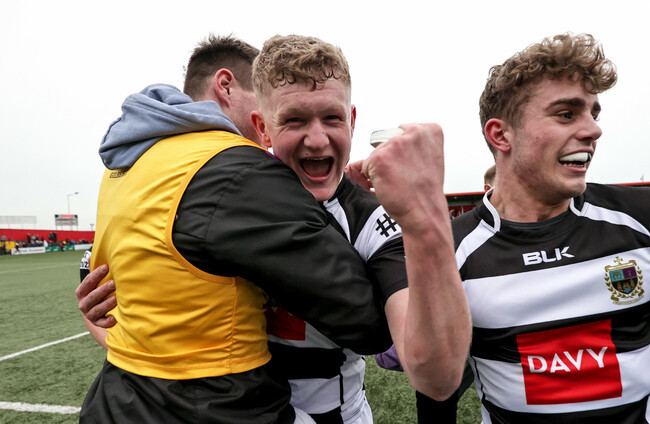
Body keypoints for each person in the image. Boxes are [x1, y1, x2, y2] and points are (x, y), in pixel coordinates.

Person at [77, 34, 470, 424]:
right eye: (294, 120)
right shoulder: (227, 192)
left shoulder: (369, 219)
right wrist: (105, 317)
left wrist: (423, 219)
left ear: (351, 121)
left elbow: (435, 376)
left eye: (332, 118)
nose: (317, 140)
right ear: (262, 128)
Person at [454, 32, 650, 422]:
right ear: (501, 135)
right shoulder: (452, 249)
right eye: (566, 114)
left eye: (593, 114)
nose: (593, 130)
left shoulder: (640, 219)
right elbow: (432, 382)